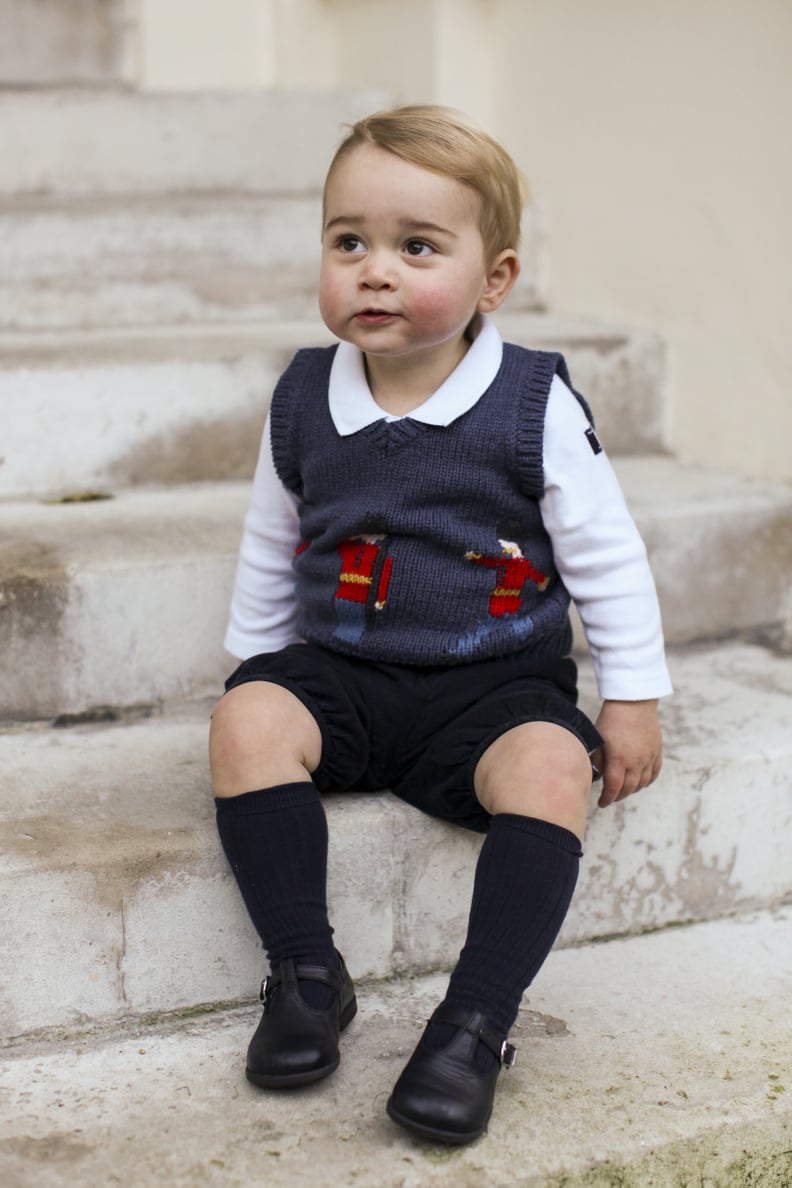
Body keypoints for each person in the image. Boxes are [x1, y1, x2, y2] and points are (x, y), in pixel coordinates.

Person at [209, 104, 672, 1145]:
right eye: (349, 242)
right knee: (244, 725)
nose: (374, 270)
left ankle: (473, 1024)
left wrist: (631, 697)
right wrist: (255, 671)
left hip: (496, 686)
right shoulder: (300, 397)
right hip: (345, 670)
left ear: (493, 279)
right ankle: (305, 972)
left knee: (554, 771)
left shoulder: (529, 402)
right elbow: (269, 537)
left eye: (416, 246)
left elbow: (606, 552)